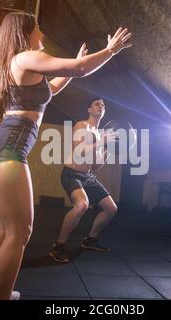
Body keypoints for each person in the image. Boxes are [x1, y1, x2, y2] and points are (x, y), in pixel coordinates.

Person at [0, 11, 132, 300]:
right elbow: (80, 69)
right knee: (20, 231)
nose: (43, 36)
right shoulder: (24, 57)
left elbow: (55, 86)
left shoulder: (21, 66)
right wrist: (110, 51)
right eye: (38, 29)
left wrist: (73, 66)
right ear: (24, 33)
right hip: (8, 148)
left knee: (7, 227)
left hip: (1, 148)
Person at [49, 99, 118, 263]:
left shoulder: (102, 135)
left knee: (111, 208)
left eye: (103, 105)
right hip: (72, 174)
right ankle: (58, 246)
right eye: (97, 104)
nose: (101, 106)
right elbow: (79, 152)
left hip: (88, 176)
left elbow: (95, 167)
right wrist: (102, 142)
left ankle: (90, 239)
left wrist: (107, 151)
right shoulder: (82, 125)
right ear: (89, 109)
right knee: (82, 205)